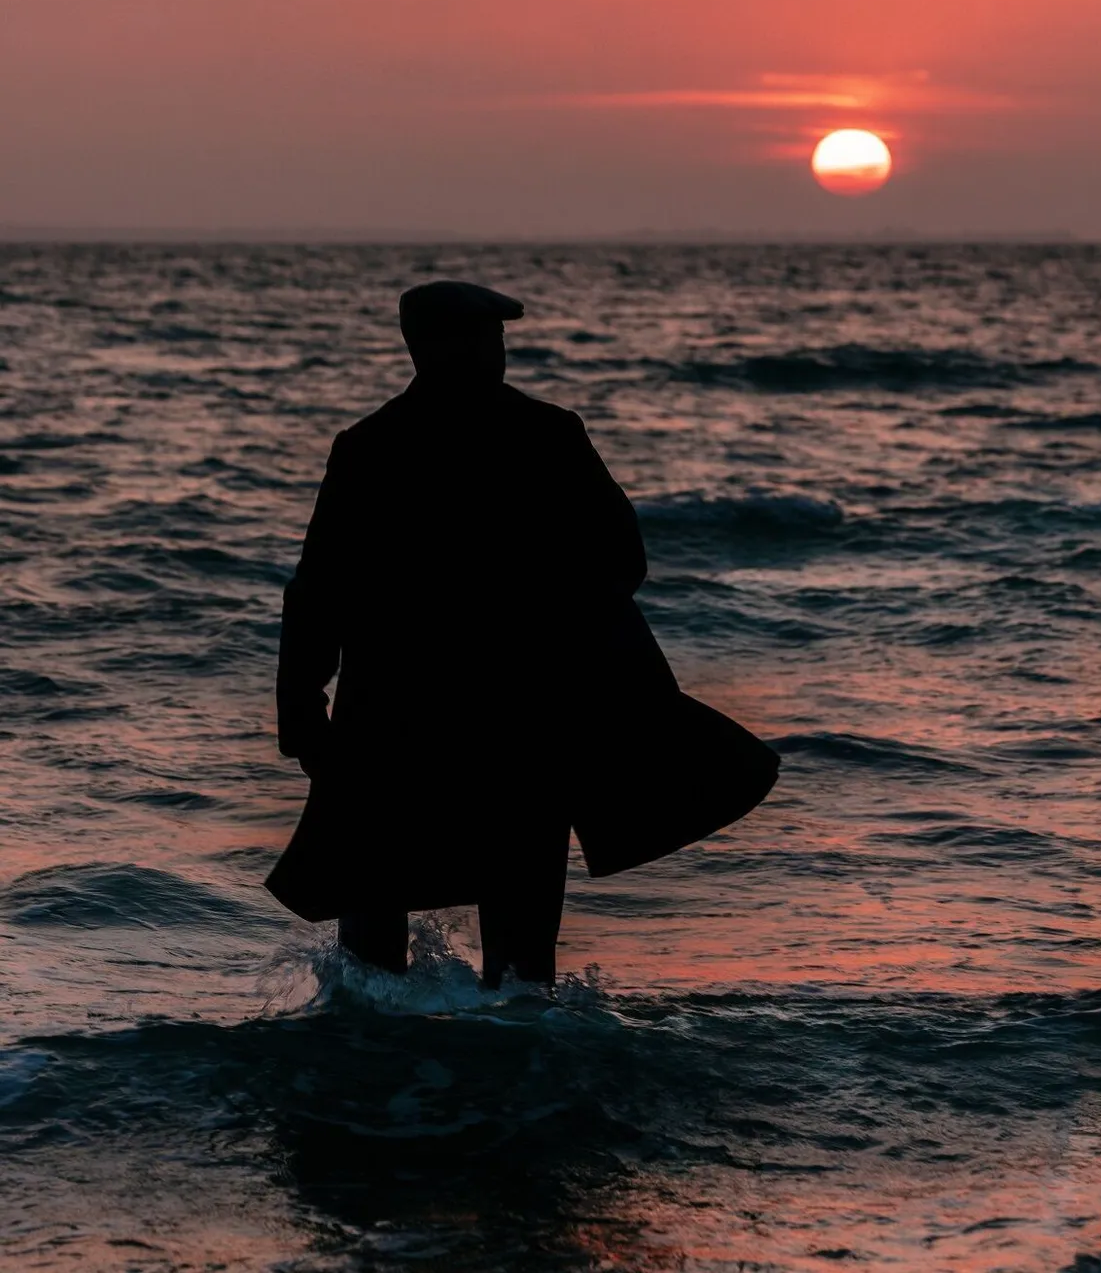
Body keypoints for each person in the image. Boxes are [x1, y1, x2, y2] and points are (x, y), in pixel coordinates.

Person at [267, 281, 779, 982]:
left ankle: (377, 1069)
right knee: (511, 943)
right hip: (519, 715)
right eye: (483, 338)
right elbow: (621, 563)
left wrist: (301, 709)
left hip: (398, 711)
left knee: (379, 920)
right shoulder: (544, 434)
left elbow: (320, 590)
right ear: (435, 345)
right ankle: (510, 1066)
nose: (495, 351)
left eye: (495, 338)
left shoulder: (371, 446)